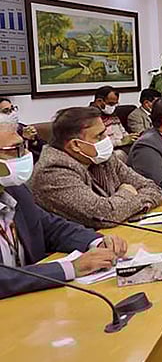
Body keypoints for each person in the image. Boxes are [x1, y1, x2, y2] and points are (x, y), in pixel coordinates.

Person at [0, 121, 128, 299]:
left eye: (25, 146)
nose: (27, 154)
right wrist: (71, 268)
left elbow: (51, 227)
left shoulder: (14, 189)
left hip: (28, 303)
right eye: (16, 149)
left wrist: (97, 242)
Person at [29, 107, 162, 229]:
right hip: (78, 249)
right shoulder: (53, 172)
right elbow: (104, 215)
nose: (107, 140)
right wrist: (127, 193)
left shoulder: (102, 158)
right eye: (99, 136)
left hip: (119, 233)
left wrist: (124, 207)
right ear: (75, 145)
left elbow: (153, 188)